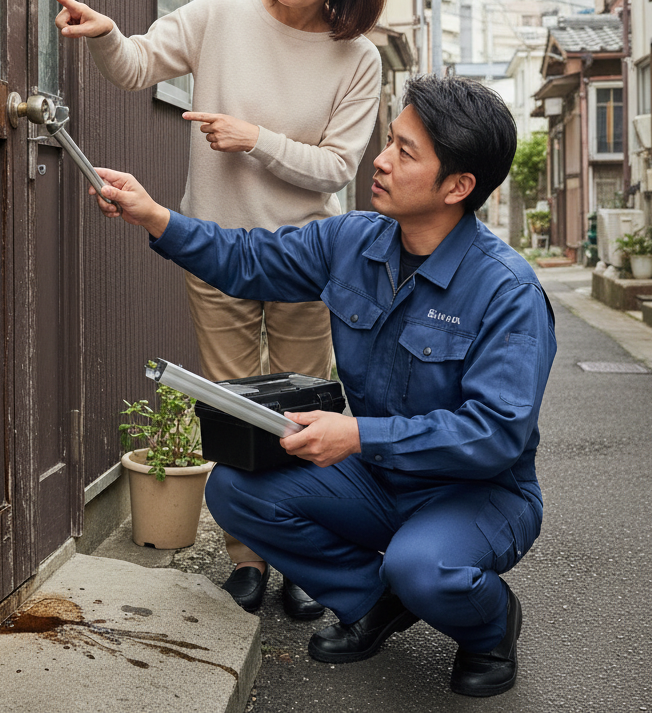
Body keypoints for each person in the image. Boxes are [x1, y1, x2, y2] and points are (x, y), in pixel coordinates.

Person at [85, 74, 556, 698]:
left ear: (458, 187)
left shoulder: (507, 292)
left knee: (427, 567)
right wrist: (156, 218)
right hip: (380, 478)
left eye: (405, 152)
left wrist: (358, 434)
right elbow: (247, 259)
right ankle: (374, 598)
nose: (380, 161)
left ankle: (490, 627)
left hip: (477, 493)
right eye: (389, 142)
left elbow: (493, 434)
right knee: (237, 489)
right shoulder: (352, 239)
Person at [48, 0, 386, 619]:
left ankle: (300, 554)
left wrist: (252, 139)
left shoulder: (357, 58)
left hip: (307, 257)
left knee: (300, 413)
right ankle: (247, 562)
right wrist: (107, 33)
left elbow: (336, 168)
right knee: (233, 411)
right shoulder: (222, 12)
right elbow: (137, 64)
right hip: (216, 249)